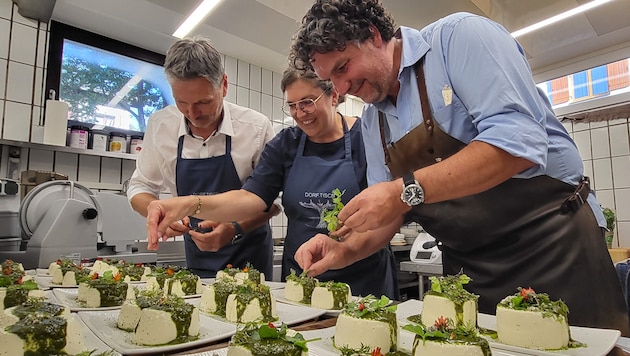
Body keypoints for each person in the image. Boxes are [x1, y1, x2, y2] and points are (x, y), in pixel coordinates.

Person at [288, 0, 630, 334]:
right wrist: (344, 248)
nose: (343, 89)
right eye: (332, 81)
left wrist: (403, 191)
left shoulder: (458, 40)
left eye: (343, 68)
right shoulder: (372, 123)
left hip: (554, 247)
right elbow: (389, 213)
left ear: (373, 34)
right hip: (471, 271)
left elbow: (519, 143)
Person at [145, 67, 400, 299]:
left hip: (364, 278)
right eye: (292, 105)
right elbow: (250, 199)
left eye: (307, 103)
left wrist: (346, 250)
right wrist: (190, 204)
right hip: (303, 279)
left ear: (333, 95)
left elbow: (389, 210)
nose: (300, 114)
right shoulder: (286, 144)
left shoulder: (367, 138)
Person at [127, 36, 278, 278]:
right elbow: (139, 186)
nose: (192, 114)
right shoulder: (160, 125)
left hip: (251, 260)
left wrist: (233, 228)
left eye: (203, 102)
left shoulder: (256, 127)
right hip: (197, 258)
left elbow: (270, 204)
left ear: (224, 85)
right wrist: (156, 209)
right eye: (181, 102)